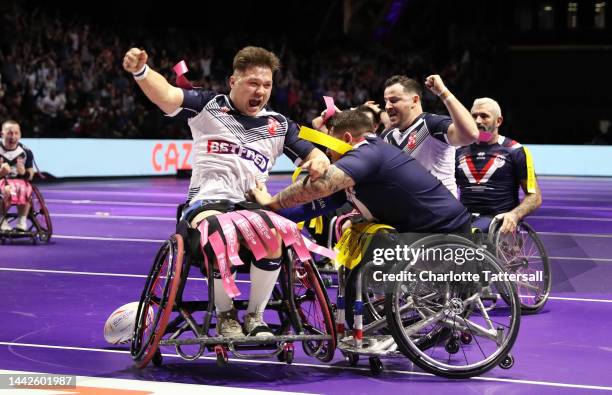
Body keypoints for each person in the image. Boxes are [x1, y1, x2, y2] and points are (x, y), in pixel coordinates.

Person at [122, 46, 330, 337]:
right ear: (233, 82)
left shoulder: (278, 125)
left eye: (267, 85)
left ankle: (255, 317)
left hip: (250, 209)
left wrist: (319, 161)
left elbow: (314, 156)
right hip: (207, 207)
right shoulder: (208, 105)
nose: (261, 91)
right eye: (253, 83)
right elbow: (167, 96)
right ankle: (226, 316)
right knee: (222, 231)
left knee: (276, 234)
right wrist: (141, 72)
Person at [251, 110, 471, 235]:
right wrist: (268, 217)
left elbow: (320, 186)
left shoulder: (368, 153)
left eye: (329, 143)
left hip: (444, 230)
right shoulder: (363, 161)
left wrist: (272, 201)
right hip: (423, 229)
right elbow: (313, 206)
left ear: (346, 139)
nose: (326, 151)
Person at [380, 75, 479, 197]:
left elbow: (471, 135)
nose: (387, 106)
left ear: (414, 100)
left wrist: (443, 92)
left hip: (441, 212)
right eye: (386, 101)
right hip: (406, 212)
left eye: (394, 100)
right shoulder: (386, 136)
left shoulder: (431, 124)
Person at [455, 98, 542, 234]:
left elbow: (535, 197)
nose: (478, 121)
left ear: (498, 121)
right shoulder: (458, 150)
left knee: (470, 233)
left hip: (497, 221)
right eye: (474, 116)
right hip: (464, 218)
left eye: (484, 116)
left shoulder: (516, 150)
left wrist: (514, 215)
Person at [0, 120, 36, 232]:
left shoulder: (26, 151)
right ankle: (3, 220)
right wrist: (1, 173)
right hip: (2, 181)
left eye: (16, 133)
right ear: (2, 134)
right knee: (7, 190)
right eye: (10, 133)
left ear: (20, 134)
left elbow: (31, 174)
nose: (13, 136)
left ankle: (22, 221)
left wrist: (24, 173)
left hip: (19, 181)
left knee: (26, 189)